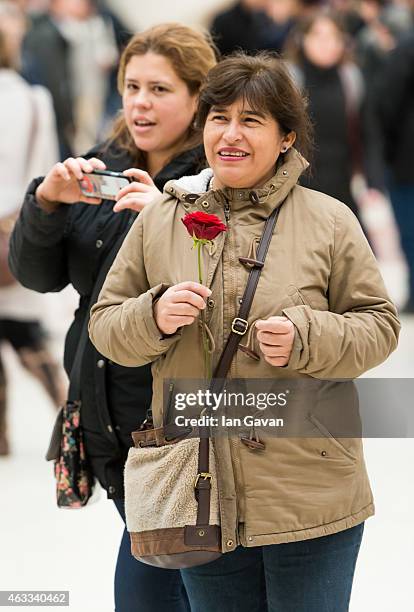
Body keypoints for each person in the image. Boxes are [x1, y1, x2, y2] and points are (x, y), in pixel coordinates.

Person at [89, 52, 400, 612]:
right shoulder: (163, 216)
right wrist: (154, 316)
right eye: (218, 118)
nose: (230, 134)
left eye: (251, 121)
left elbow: (379, 325)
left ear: (285, 138)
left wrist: (306, 337)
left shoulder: (329, 220)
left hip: (310, 487)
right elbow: (105, 327)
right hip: (198, 484)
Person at [9, 23, 217, 612]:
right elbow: (40, 274)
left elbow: (229, 280)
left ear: (198, 98)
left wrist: (168, 214)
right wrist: (46, 203)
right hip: (106, 416)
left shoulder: (216, 177)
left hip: (173, 421)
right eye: (131, 86)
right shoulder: (105, 163)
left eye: (160, 88)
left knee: (157, 585)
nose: (141, 102)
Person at [0, 1, 64, 456]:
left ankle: (1, 434)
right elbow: (46, 171)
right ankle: (67, 414)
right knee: (25, 331)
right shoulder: (34, 99)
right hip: (13, 228)